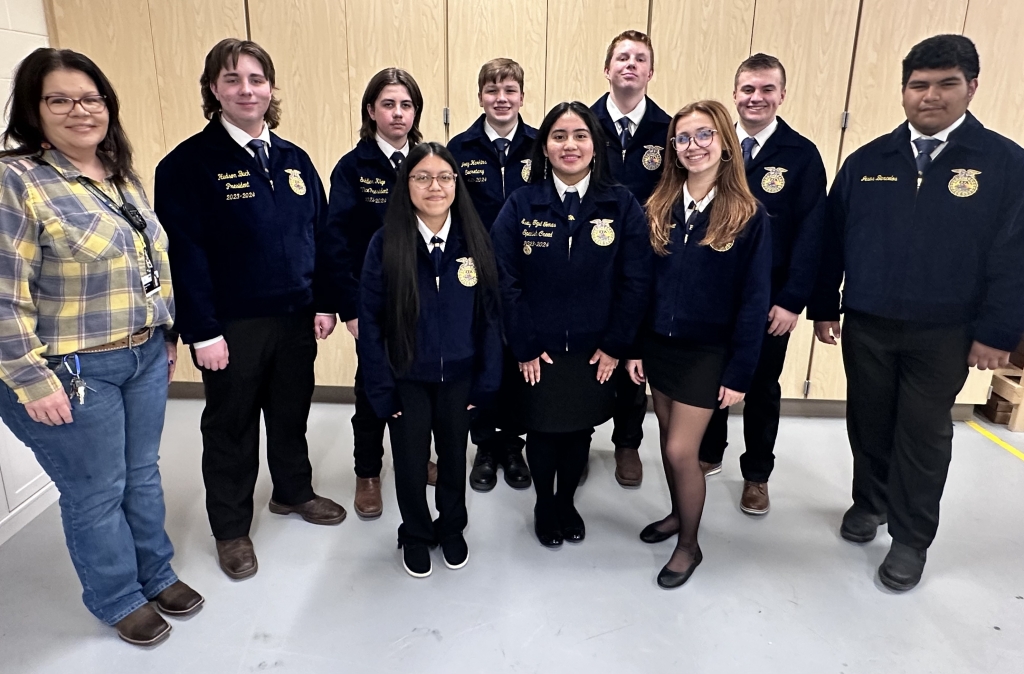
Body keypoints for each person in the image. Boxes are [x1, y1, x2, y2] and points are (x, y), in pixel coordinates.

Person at [0, 47, 202, 646]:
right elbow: (4, 295)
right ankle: (116, 597)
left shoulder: (118, 174)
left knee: (142, 475)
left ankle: (155, 573)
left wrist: (165, 333)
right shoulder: (17, 180)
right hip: (72, 367)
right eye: (59, 99)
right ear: (34, 110)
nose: (79, 111)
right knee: (95, 491)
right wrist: (32, 381)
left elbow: (149, 263)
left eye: (91, 99)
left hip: (141, 355)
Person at [809, 34, 1024, 592]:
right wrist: (826, 307)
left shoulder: (1003, 163)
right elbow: (832, 241)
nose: (931, 96)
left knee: (924, 433)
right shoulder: (868, 161)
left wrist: (997, 332)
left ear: (971, 87)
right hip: (869, 322)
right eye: (919, 85)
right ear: (904, 92)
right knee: (869, 420)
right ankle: (870, 502)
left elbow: (1014, 254)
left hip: (946, 331)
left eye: (946, 83)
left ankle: (910, 538)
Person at [154, 38, 346, 582]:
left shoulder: (294, 159)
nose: (246, 89)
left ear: (271, 88)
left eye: (256, 79)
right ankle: (231, 528)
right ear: (213, 89)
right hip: (231, 326)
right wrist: (202, 331)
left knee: (291, 414)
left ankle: (292, 493)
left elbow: (320, 234)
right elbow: (183, 255)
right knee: (230, 427)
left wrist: (324, 301)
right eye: (233, 79)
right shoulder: (188, 164)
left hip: (295, 318)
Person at [491, 101, 651, 549]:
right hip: (535, 350)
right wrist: (522, 344)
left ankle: (567, 502)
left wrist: (617, 344)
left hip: (594, 350)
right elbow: (504, 279)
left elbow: (636, 280)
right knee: (542, 430)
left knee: (579, 430)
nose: (570, 145)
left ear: (596, 146)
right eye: (559, 136)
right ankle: (546, 504)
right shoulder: (521, 203)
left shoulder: (620, 204)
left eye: (580, 135)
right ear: (544, 146)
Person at [628, 100, 772, 589]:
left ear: (725, 143)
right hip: (660, 347)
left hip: (708, 355)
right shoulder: (659, 206)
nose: (694, 146)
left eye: (704, 135)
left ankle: (689, 545)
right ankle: (677, 515)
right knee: (669, 451)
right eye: (683, 138)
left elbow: (754, 302)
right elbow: (642, 285)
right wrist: (634, 347)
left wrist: (739, 373)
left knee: (680, 450)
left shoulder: (748, 215)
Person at [358, 143, 503, 577]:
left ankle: (452, 527)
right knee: (409, 459)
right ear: (407, 186)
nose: (434, 186)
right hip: (407, 379)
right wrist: (381, 389)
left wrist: (487, 380)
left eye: (444, 177)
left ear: (456, 184)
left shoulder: (475, 240)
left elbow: (492, 317)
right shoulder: (386, 243)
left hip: (461, 377)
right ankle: (416, 532)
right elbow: (370, 323)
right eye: (422, 177)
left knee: (455, 457)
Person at [697, 53, 827, 515]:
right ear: (735, 94)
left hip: (771, 299)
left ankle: (757, 474)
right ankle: (709, 453)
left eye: (767, 89)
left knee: (761, 385)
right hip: (714, 295)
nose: (756, 98)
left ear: (782, 95)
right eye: (748, 89)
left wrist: (793, 300)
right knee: (713, 377)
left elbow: (813, 234)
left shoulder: (801, 155)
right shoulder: (712, 144)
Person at [325, 68, 436, 519]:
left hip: (426, 298)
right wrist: (350, 307)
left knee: (423, 383)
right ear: (371, 111)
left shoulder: (428, 162)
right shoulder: (353, 168)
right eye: (388, 104)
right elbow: (337, 241)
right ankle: (367, 473)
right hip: (373, 302)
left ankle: (416, 457)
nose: (398, 113)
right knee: (372, 389)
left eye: (406, 105)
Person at [447, 58, 536, 492]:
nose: (501, 99)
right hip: (474, 274)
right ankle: (483, 444)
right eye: (492, 90)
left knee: (520, 357)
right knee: (482, 357)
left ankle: (513, 445)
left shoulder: (541, 145)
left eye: (510, 90)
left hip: (527, 274)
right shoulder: (460, 148)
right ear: (480, 95)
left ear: (522, 95)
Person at [590, 30, 672, 488]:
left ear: (650, 72)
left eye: (639, 59)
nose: (630, 64)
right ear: (607, 69)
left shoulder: (668, 128)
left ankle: (626, 444)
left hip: (645, 260)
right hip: (588, 258)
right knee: (586, 350)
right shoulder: (584, 122)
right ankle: (576, 437)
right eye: (621, 57)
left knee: (633, 358)